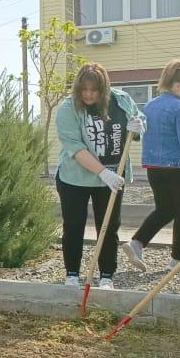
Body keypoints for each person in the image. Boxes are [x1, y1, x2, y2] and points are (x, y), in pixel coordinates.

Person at [54, 63, 146, 289]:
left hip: (113, 175)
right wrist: (103, 173)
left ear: (104, 89)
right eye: (84, 89)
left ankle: (106, 276)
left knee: (108, 227)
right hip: (75, 177)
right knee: (73, 225)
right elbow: (76, 148)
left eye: (94, 90)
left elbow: (138, 119)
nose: (88, 94)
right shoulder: (68, 108)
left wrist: (139, 127)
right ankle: (72, 274)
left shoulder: (121, 100)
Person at [124, 60, 180, 273]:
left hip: (154, 168)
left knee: (166, 209)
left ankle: (137, 243)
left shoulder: (150, 106)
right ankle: (179, 260)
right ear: (178, 85)